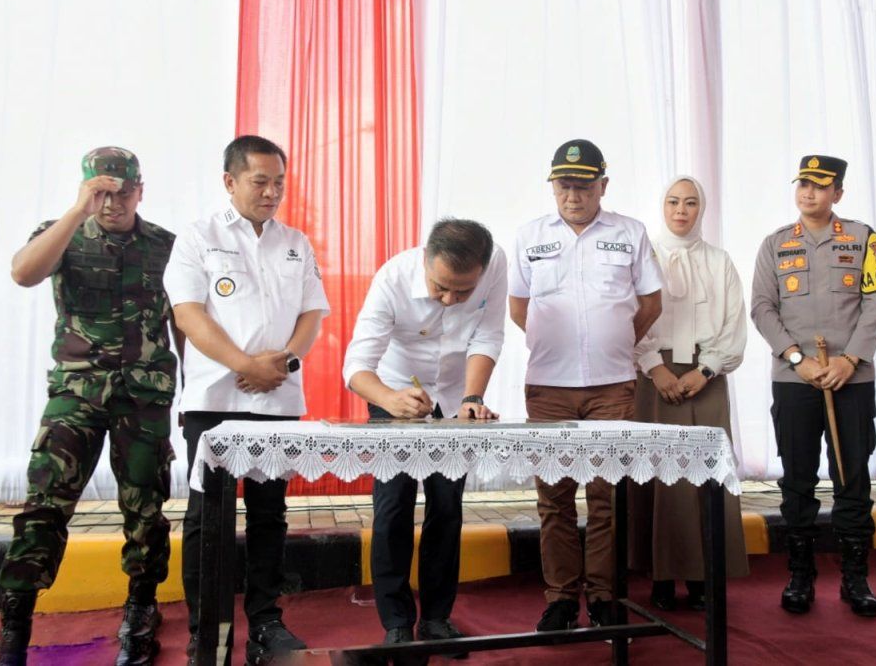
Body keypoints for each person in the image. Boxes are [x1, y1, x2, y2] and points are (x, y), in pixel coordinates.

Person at [0, 147, 177, 666]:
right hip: (75, 396)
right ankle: (16, 620)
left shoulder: (166, 246)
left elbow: (182, 321)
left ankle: (140, 612)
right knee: (44, 507)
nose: (111, 204)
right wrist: (77, 212)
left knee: (145, 510)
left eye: (121, 193)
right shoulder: (62, 233)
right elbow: (23, 273)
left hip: (143, 399)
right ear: (84, 190)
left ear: (140, 190)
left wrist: (195, 397)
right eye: (100, 192)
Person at [162, 135, 330, 664]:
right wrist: (244, 365)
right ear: (230, 181)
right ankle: (203, 628)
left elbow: (312, 315)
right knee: (206, 516)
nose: (272, 191)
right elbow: (189, 314)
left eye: (279, 181)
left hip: (277, 397)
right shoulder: (198, 237)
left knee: (269, 514)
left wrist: (284, 363)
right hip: (214, 399)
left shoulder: (296, 242)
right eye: (261, 181)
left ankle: (266, 622)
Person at [509, 138, 664, 631]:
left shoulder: (631, 232)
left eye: (582, 185)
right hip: (548, 386)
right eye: (563, 185)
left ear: (604, 186)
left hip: (612, 385)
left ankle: (602, 596)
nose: (572, 195)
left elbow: (651, 303)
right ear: (552, 186)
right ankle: (559, 598)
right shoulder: (530, 235)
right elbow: (519, 307)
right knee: (554, 498)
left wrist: (614, 340)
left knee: (606, 496)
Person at [343, 218, 506, 650]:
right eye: (441, 288)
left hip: (456, 396)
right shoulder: (392, 279)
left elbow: (488, 335)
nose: (451, 300)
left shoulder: (495, 265)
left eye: (463, 292)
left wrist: (473, 396)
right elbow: (356, 364)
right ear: (425, 261)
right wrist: (390, 399)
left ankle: (436, 618)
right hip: (394, 390)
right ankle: (396, 622)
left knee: (447, 507)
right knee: (394, 506)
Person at [750, 155, 876, 617]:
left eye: (820, 186)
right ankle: (800, 574)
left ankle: (855, 578)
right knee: (797, 478)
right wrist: (797, 359)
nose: (809, 192)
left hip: (852, 379)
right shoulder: (775, 244)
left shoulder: (863, 238)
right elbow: (763, 309)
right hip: (795, 381)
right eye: (803, 184)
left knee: (852, 477)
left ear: (839, 194)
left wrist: (850, 360)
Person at [629, 175, 749, 611]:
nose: (682, 210)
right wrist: (654, 368)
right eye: (673, 201)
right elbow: (630, 315)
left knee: (703, 476)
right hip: (652, 374)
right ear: (662, 206)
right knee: (657, 475)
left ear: (703, 208)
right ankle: (660, 575)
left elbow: (734, 323)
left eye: (692, 202)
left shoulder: (719, 261)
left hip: (705, 376)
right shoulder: (645, 258)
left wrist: (707, 369)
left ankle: (702, 576)